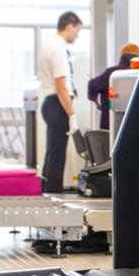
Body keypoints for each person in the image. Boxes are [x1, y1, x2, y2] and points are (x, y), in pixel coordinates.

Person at [37, 11, 82, 193]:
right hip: (57, 104)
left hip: (52, 103)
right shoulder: (58, 48)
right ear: (69, 27)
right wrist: (72, 114)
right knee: (57, 156)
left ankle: (47, 191)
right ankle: (53, 193)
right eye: (77, 31)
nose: (77, 35)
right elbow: (61, 85)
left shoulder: (50, 45)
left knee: (53, 153)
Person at [87, 43, 139, 130]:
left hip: (110, 124)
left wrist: (97, 103)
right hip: (135, 124)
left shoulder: (111, 73)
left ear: (122, 55)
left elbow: (92, 85)